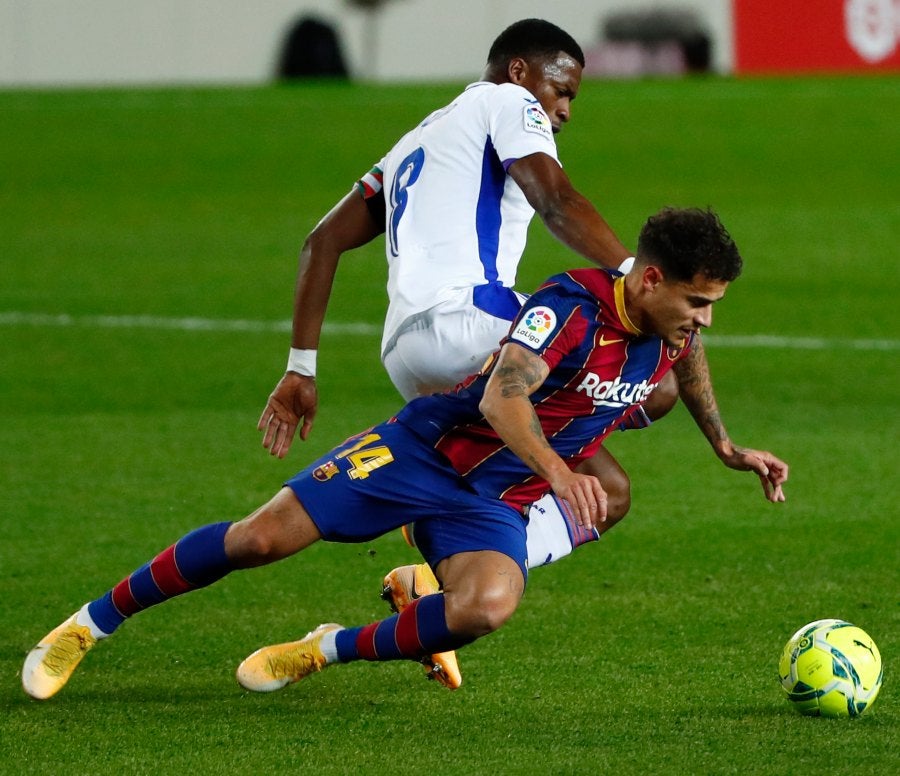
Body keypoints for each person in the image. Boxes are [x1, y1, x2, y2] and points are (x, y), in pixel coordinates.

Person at [23, 207, 788, 701]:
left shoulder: (671, 330)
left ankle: (326, 648)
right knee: (257, 540)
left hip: (490, 502)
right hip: (421, 453)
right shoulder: (571, 305)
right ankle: (90, 624)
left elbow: (684, 360)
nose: (704, 323)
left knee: (485, 608)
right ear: (650, 279)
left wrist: (724, 444)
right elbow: (501, 400)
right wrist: (560, 472)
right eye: (697, 302)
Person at [259, 17, 679, 685]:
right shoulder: (507, 103)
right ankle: (431, 576)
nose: (564, 110)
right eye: (560, 91)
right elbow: (557, 201)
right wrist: (637, 278)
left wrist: (300, 368)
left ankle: (434, 562)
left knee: (476, 468)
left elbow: (321, 242)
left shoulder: (418, 139)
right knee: (643, 417)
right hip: (473, 327)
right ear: (519, 72)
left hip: (405, 352)